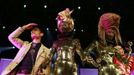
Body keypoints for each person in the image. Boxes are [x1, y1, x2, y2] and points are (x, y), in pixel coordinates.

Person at [50, 8, 85, 75]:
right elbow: (49, 57)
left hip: (70, 69)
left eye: (66, 23)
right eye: (63, 23)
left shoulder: (75, 41)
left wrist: (92, 62)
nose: (64, 25)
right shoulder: (56, 42)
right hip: (59, 69)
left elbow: (83, 57)